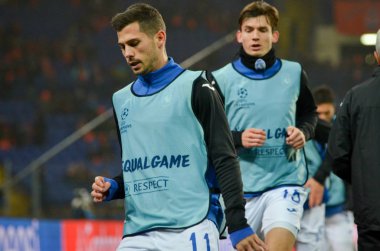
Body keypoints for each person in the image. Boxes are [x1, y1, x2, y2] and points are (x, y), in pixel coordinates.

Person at [90, 3, 267, 251]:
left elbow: (224, 158)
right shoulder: (121, 101)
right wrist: (116, 186)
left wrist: (238, 222)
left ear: (160, 37)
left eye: (134, 43)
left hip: (191, 225)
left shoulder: (197, 86)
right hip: (137, 233)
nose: (127, 53)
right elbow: (143, 167)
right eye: (122, 47)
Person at [208, 1, 317, 250]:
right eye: (248, 30)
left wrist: (304, 132)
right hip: (237, 192)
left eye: (262, 30)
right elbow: (207, 134)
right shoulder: (220, 79)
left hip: (285, 181)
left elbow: (309, 114)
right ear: (239, 36)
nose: (255, 36)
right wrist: (238, 138)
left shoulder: (294, 72)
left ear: (274, 35)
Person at [328, 29, 380, 251]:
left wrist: (361, 178)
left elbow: (338, 154)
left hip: (371, 211)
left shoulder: (355, 97)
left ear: (376, 56)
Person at [312, 86, 356, 251]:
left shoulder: (346, 130)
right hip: (312, 210)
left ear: (334, 109)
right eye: (318, 114)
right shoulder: (306, 133)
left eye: (327, 113)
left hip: (340, 209)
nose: (322, 118)